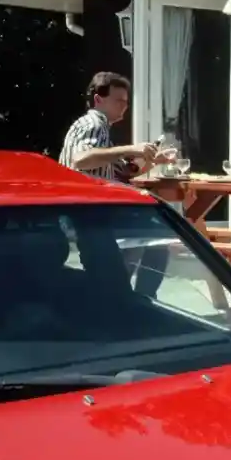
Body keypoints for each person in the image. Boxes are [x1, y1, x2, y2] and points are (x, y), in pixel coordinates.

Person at [58, 71, 174, 297]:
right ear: (99, 99)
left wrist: (155, 160)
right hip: (86, 215)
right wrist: (131, 148)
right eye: (119, 100)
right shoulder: (93, 123)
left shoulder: (102, 131)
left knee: (146, 239)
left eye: (127, 102)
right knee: (158, 233)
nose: (124, 106)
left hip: (95, 214)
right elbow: (80, 159)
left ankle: (132, 298)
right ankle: (142, 300)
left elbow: (126, 172)